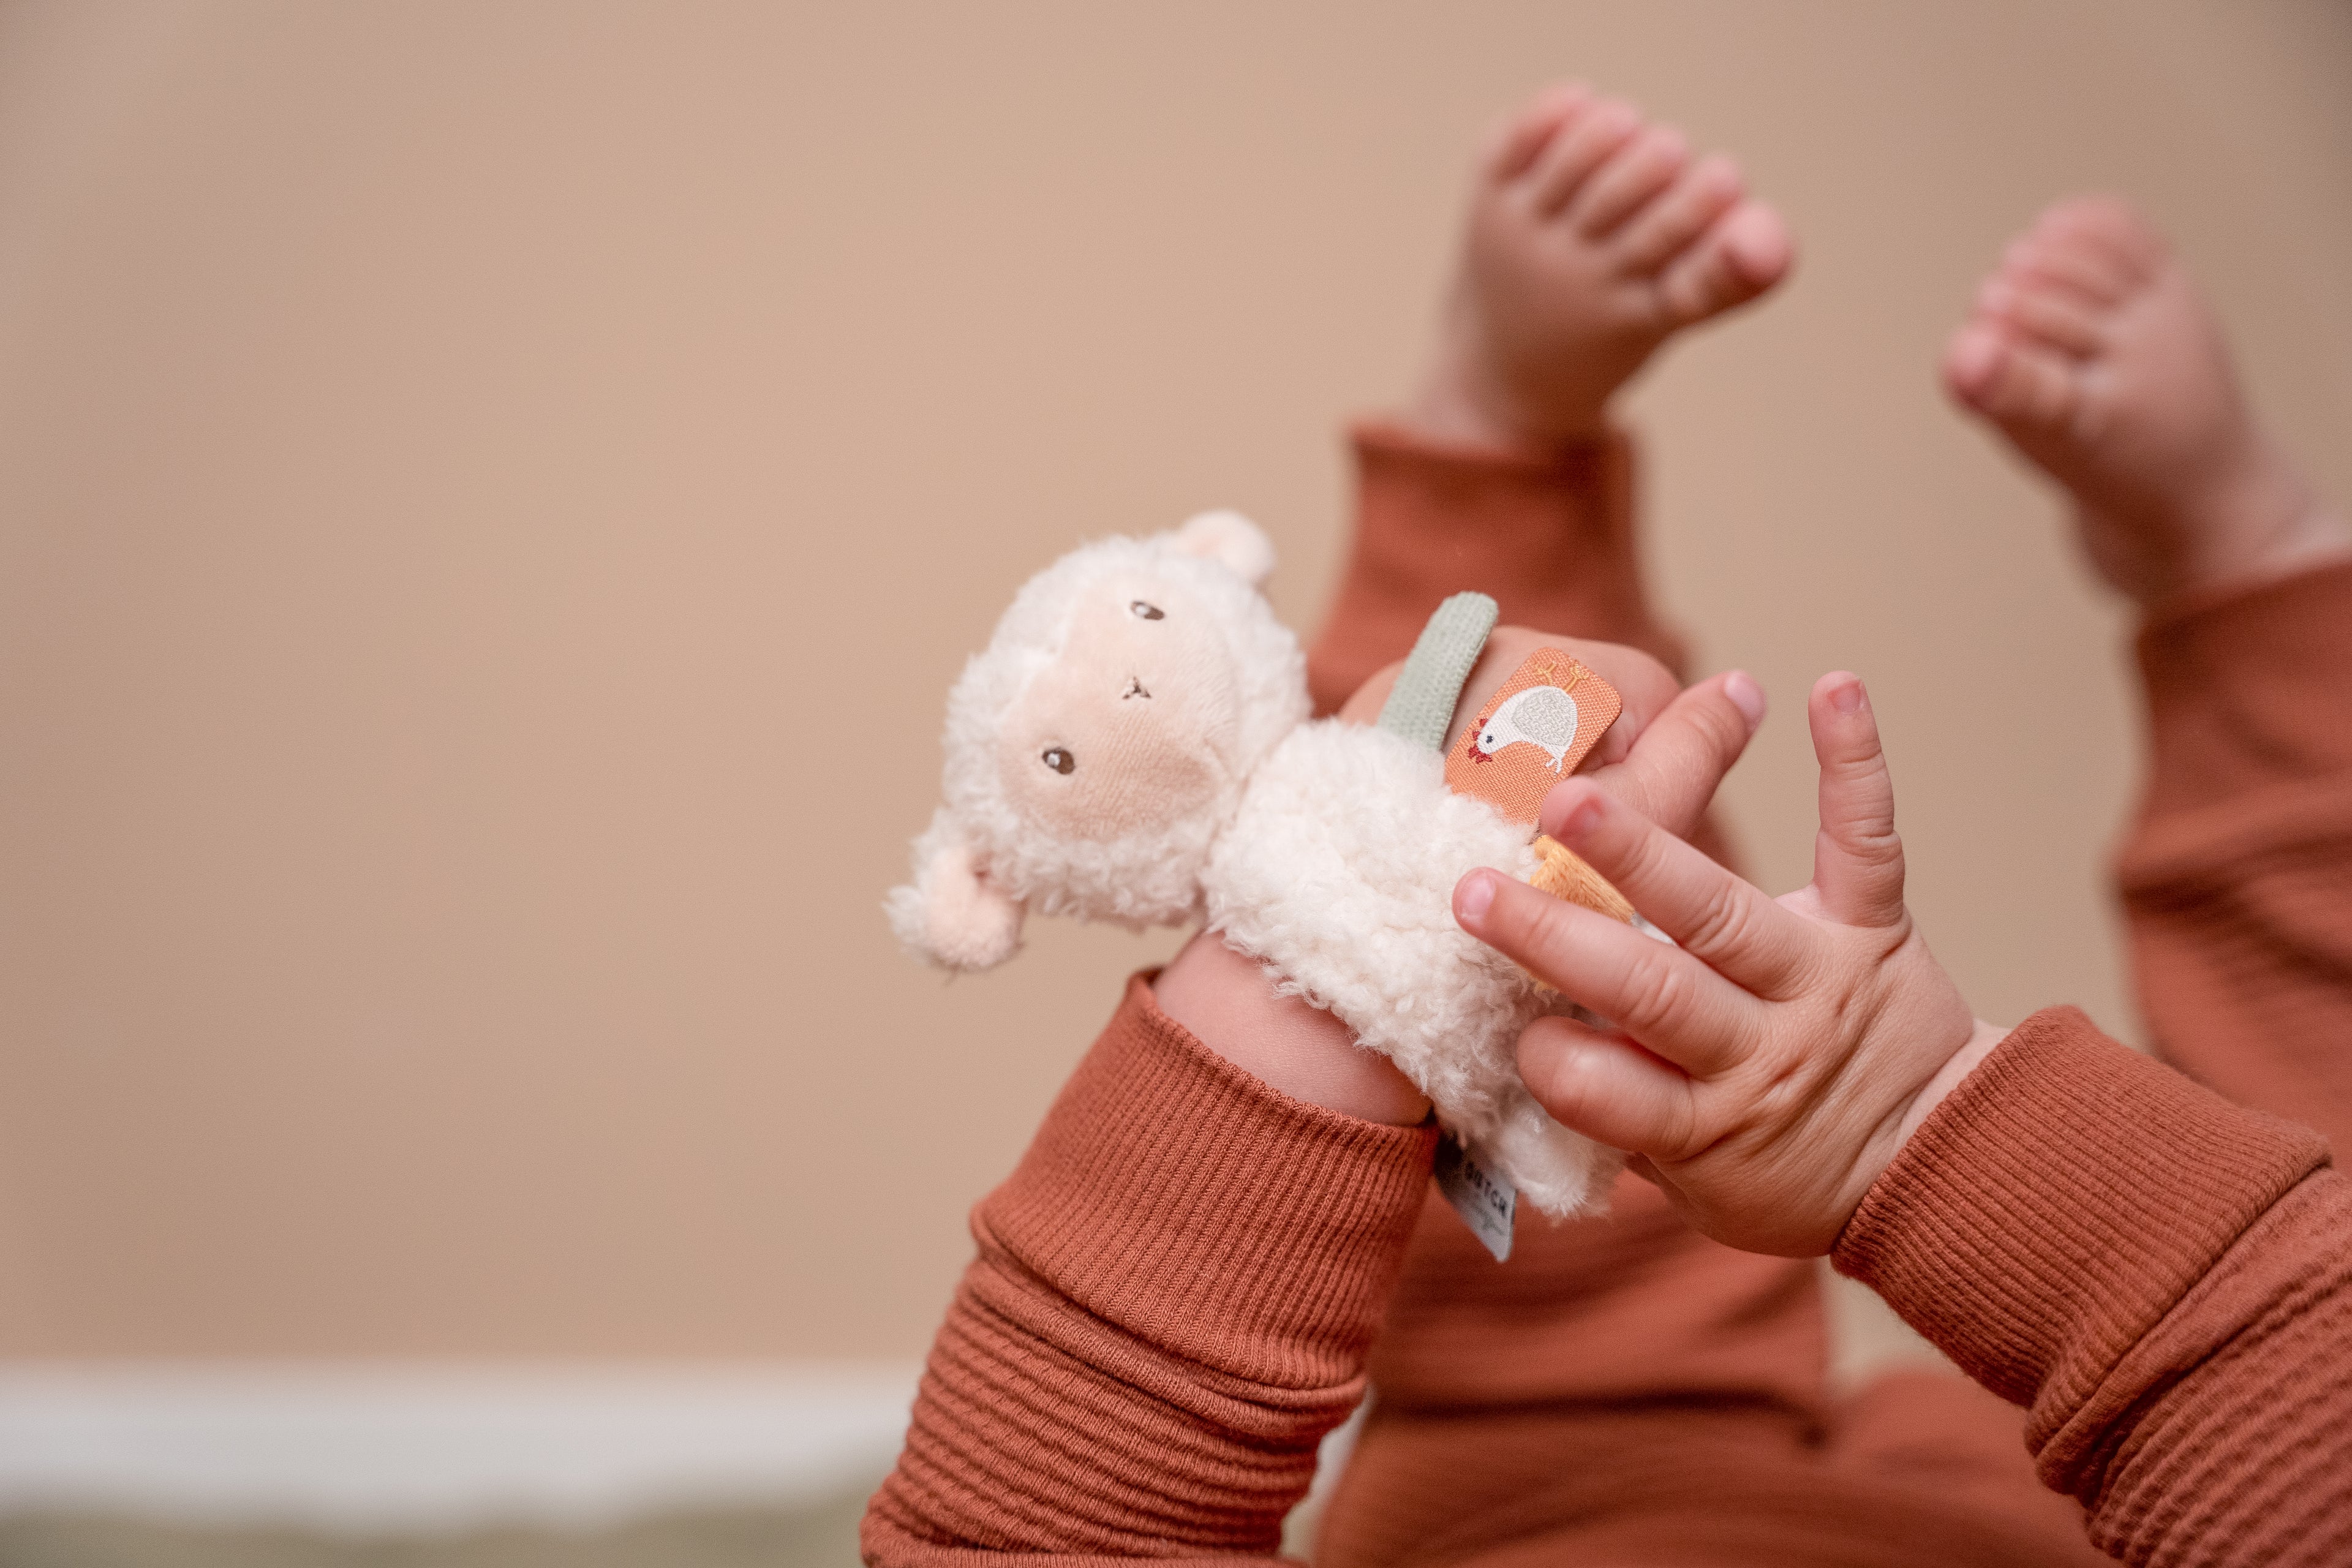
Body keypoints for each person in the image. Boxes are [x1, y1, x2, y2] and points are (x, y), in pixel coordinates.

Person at [861, 85, 2352, 1567]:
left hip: (1553, 1494)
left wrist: (1329, 937)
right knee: (2303, 1177)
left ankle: (1495, 462)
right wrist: (1916, 1127)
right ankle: (2260, 588)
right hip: (2121, 1500)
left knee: (1515, 1026)